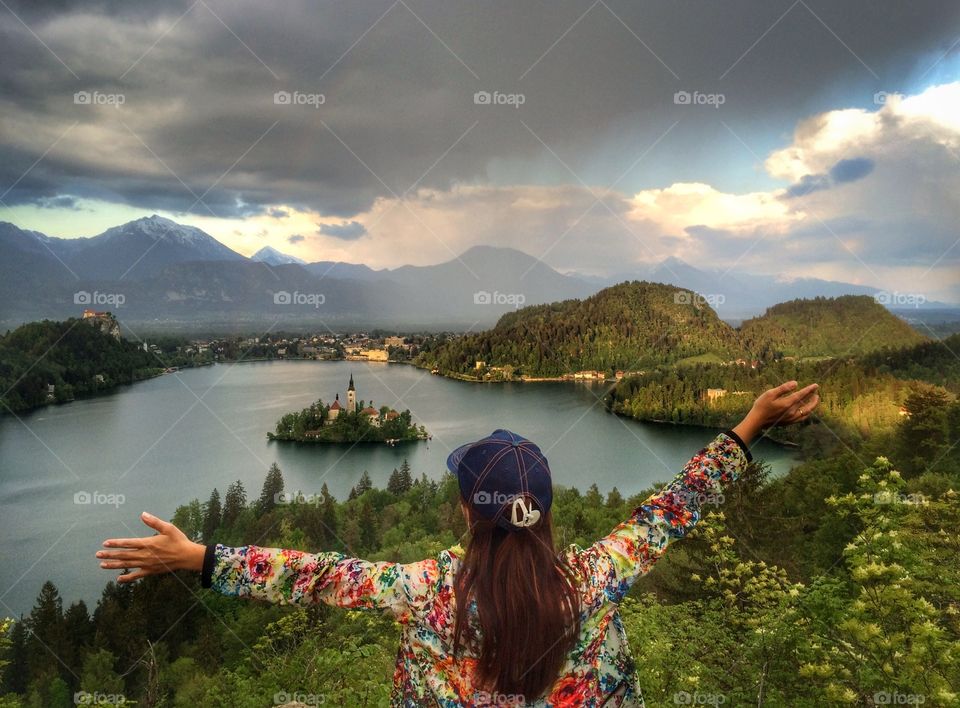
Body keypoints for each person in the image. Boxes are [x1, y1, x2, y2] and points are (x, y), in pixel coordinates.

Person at [98, 380, 819, 706]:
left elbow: (318, 576)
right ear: (543, 509)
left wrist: (198, 558)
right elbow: (675, 509)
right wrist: (747, 426)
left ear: (469, 512)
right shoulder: (594, 577)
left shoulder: (428, 593)